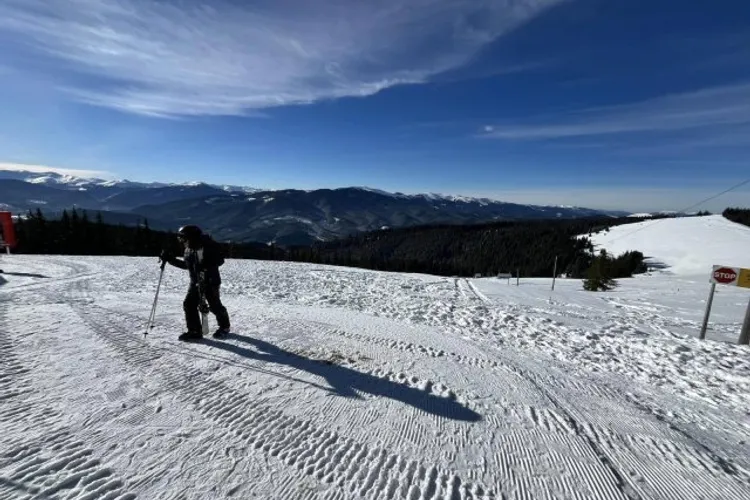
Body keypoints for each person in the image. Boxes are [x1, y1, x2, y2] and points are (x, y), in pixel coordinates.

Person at [160, 225, 231, 341]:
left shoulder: (207, 246)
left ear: (191, 237)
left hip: (210, 281)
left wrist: (207, 265)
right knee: (189, 304)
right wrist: (170, 259)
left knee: (214, 306)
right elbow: (187, 266)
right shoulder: (189, 249)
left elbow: (220, 260)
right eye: (180, 238)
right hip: (196, 281)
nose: (181, 241)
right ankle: (194, 331)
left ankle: (225, 326)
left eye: (183, 238)